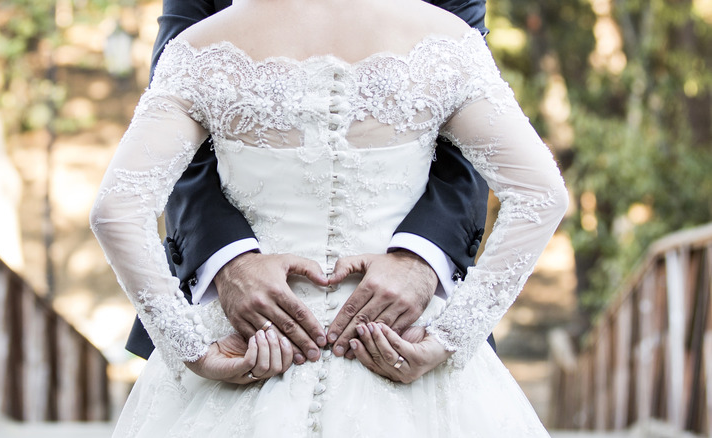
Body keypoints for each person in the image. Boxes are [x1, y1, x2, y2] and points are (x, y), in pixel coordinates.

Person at [90, 0, 569, 435]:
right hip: (395, 344)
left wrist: (190, 349)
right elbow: (542, 195)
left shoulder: (200, 48)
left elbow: (115, 212)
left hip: (256, 347)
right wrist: (451, 336)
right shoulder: (445, 41)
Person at [124, 0, 493, 365]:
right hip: (236, 318)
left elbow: (474, 142)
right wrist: (227, 262)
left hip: (415, 316)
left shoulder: (452, 40)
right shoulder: (196, 48)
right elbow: (171, 146)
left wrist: (422, 262)